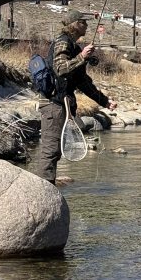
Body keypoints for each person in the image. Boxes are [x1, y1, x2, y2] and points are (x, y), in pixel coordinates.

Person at [35, 9, 116, 183]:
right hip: (53, 103)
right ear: (75, 24)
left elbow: (82, 82)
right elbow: (60, 69)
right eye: (84, 22)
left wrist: (104, 101)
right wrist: (81, 56)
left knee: (55, 150)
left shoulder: (72, 45)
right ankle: (43, 190)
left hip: (61, 104)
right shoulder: (63, 43)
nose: (87, 25)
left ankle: (48, 188)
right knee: (50, 150)